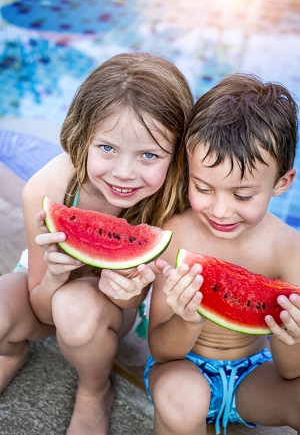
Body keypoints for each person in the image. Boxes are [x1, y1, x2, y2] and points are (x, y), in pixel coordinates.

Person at [0, 52, 193, 434]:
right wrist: (55, 275)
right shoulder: (48, 189)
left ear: (177, 154)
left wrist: (124, 293)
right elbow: (41, 306)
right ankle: (10, 351)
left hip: (106, 313)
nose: (124, 173)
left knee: (75, 309)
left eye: (149, 155)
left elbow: (132, 305)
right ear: (83, 134)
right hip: (42, 289)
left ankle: (94, 390)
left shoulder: (171, 204)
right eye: (107, 148)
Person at [144, 73, 300, 435]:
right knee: (182, 404)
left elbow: (291, 372)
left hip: (256, 377)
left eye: (242, 196)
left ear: (282, 183)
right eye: (202, 187)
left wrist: (291, 337)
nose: (220, 210)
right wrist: (188, 319)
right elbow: (162, 351)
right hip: (182, 369)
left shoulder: (288, 249)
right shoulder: (177, 234)